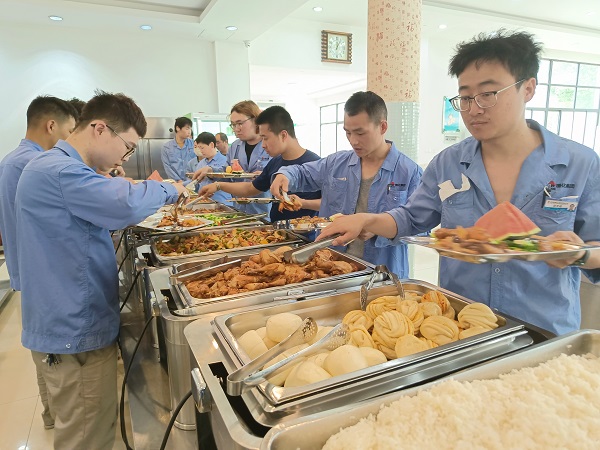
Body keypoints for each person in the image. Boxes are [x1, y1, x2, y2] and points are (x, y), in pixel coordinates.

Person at [317, 30, 600, 336]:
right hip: (460, 326)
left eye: (488, 94)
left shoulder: (579, 163)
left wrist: (580, 253)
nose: (474, 109)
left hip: (545, 328)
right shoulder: (448, 163)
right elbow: (412, 218)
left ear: (528, 88)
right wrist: (367, 219)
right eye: (465, 97)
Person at [15, 90, 187, 450]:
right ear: (99, 129)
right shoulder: (59, 171)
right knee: (86, 438)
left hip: (68, 321)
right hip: (73, 330)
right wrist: (167, 189)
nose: (125, 157)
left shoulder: (59, 168)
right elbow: (122, 203)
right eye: (126, 147)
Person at [270, 91, 423, 277]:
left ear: (382, 127)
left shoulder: (409, 172)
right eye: (348, 133)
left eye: (360, 133)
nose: (353, 141)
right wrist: (284, 175)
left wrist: (378, 230)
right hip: (332, 268)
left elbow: (420, 229)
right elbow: (302, 172)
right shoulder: (336, 163)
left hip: (382, 272)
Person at [0, 95, 78, 430]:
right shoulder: (30, 164)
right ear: (51, 126)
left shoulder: (17, 160)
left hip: (30, 270)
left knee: (45, 351)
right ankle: (55, 416)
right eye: (70, 130)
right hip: (39, 273)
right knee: (50, 354)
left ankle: (52, 414)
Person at [198, 105, 321, 222]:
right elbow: (251, 188)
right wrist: (219, 185)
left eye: (265, 138)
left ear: (283, 135)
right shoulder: (275, 163)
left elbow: (329, 203)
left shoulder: (315, 164)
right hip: (278, 232)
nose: (263, 145)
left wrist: (303, 203)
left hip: (307, 238)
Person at [224, 100, 272, 214]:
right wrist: (210, 171)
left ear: (255, 120)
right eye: (233, 125)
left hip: (265, 212)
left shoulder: (271, 145)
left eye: (240, 123)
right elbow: (226, 171)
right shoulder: (235, 146)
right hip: (239, 210)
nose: (236, 129)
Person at [189, 132, 231, 204]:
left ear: (211, 145)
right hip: (205, 202)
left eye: (202, 148)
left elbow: (229, 180)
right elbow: (196, 183)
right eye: (199, 148)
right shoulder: (201, 163)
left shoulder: (225, 161)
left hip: (223, 202)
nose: (201, 151)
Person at [161, 116, 195, 184]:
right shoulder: (166, 147)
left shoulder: (194, 144)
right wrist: (178, 181)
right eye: (187, 128)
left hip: (192, 183)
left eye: (190, 129)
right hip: (175, 183)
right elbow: (167, 167)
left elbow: (198, 163)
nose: (189, 131)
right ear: (178, 128)